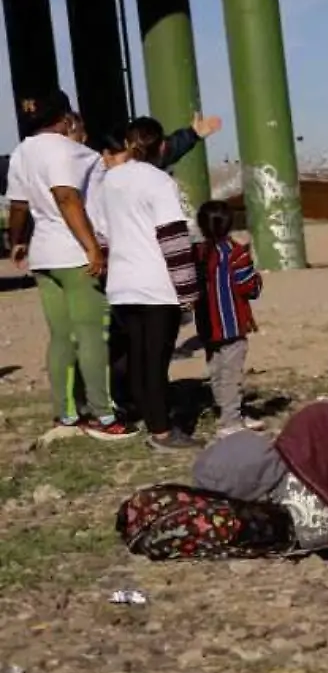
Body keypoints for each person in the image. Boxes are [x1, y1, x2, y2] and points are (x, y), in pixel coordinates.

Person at [5, 91, 135, 440]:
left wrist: (16, 240)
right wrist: (92, 247)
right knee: (93, 335)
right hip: (74, 254)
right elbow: (67, 197)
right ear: (64, 118)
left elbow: (17, 204)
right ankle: (104, 417)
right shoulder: (69, 150)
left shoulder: (21, 152)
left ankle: (65, 413)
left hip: (44, 255)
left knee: (61, 337)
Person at [98, 118, 202, 450]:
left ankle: (151, 418)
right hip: (156, 284)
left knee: (139, 359)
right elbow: (173, 238)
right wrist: (188, 290)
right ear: (161, 147)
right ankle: (162, 432)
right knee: (156, 362)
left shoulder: (108, 181)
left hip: (122, 284)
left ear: (128, 144)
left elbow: (101, 235)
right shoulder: (159, 182)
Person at [195, 199, 264, 436]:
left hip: (206, 323)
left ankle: (225, 411)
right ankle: (230, 422)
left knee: (216, 369)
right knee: (231, 374)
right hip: (232, 324)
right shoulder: (236, 253)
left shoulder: (199, 252)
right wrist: (257, 279)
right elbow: (249, 288)